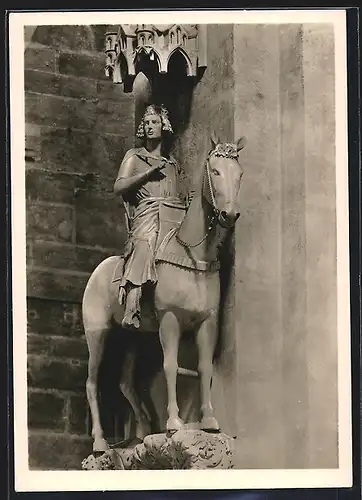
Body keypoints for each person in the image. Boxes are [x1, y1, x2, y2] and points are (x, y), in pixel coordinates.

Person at [114, 104, 186, 329]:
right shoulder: (134, 156)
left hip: (171, 217)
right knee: (145, 246)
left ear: (163, 126)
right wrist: (147, 174)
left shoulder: (172, 164)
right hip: (146, 216)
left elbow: (177, 194)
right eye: (146, 123)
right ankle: (132, 309)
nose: (149, 127)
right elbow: (119, 186)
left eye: (154, 122)